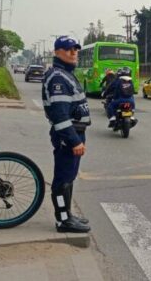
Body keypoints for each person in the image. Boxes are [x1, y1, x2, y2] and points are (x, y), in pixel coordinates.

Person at [42, 36, 91, 233]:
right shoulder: (58, 78)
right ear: (57, 52)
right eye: (68, 49)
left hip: (74, 133)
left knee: (69, 177)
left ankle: (68, 215)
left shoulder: (66, 74)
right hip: (68, 135)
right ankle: (63, 220)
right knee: (62, 179)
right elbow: (60, 114)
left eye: (75, 49)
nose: (73, 53)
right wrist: (73, 140)